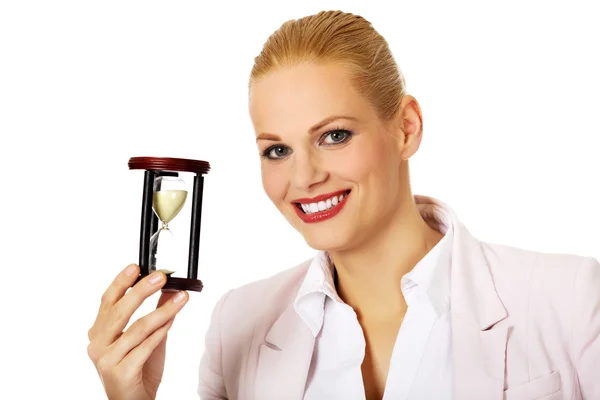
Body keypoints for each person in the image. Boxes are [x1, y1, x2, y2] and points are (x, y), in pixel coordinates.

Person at [87, 10, 600, 400]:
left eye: (334, 135)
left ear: (406, 127)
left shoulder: (572, 299)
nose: (305, 177)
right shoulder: (238, 325)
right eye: (277, 150)